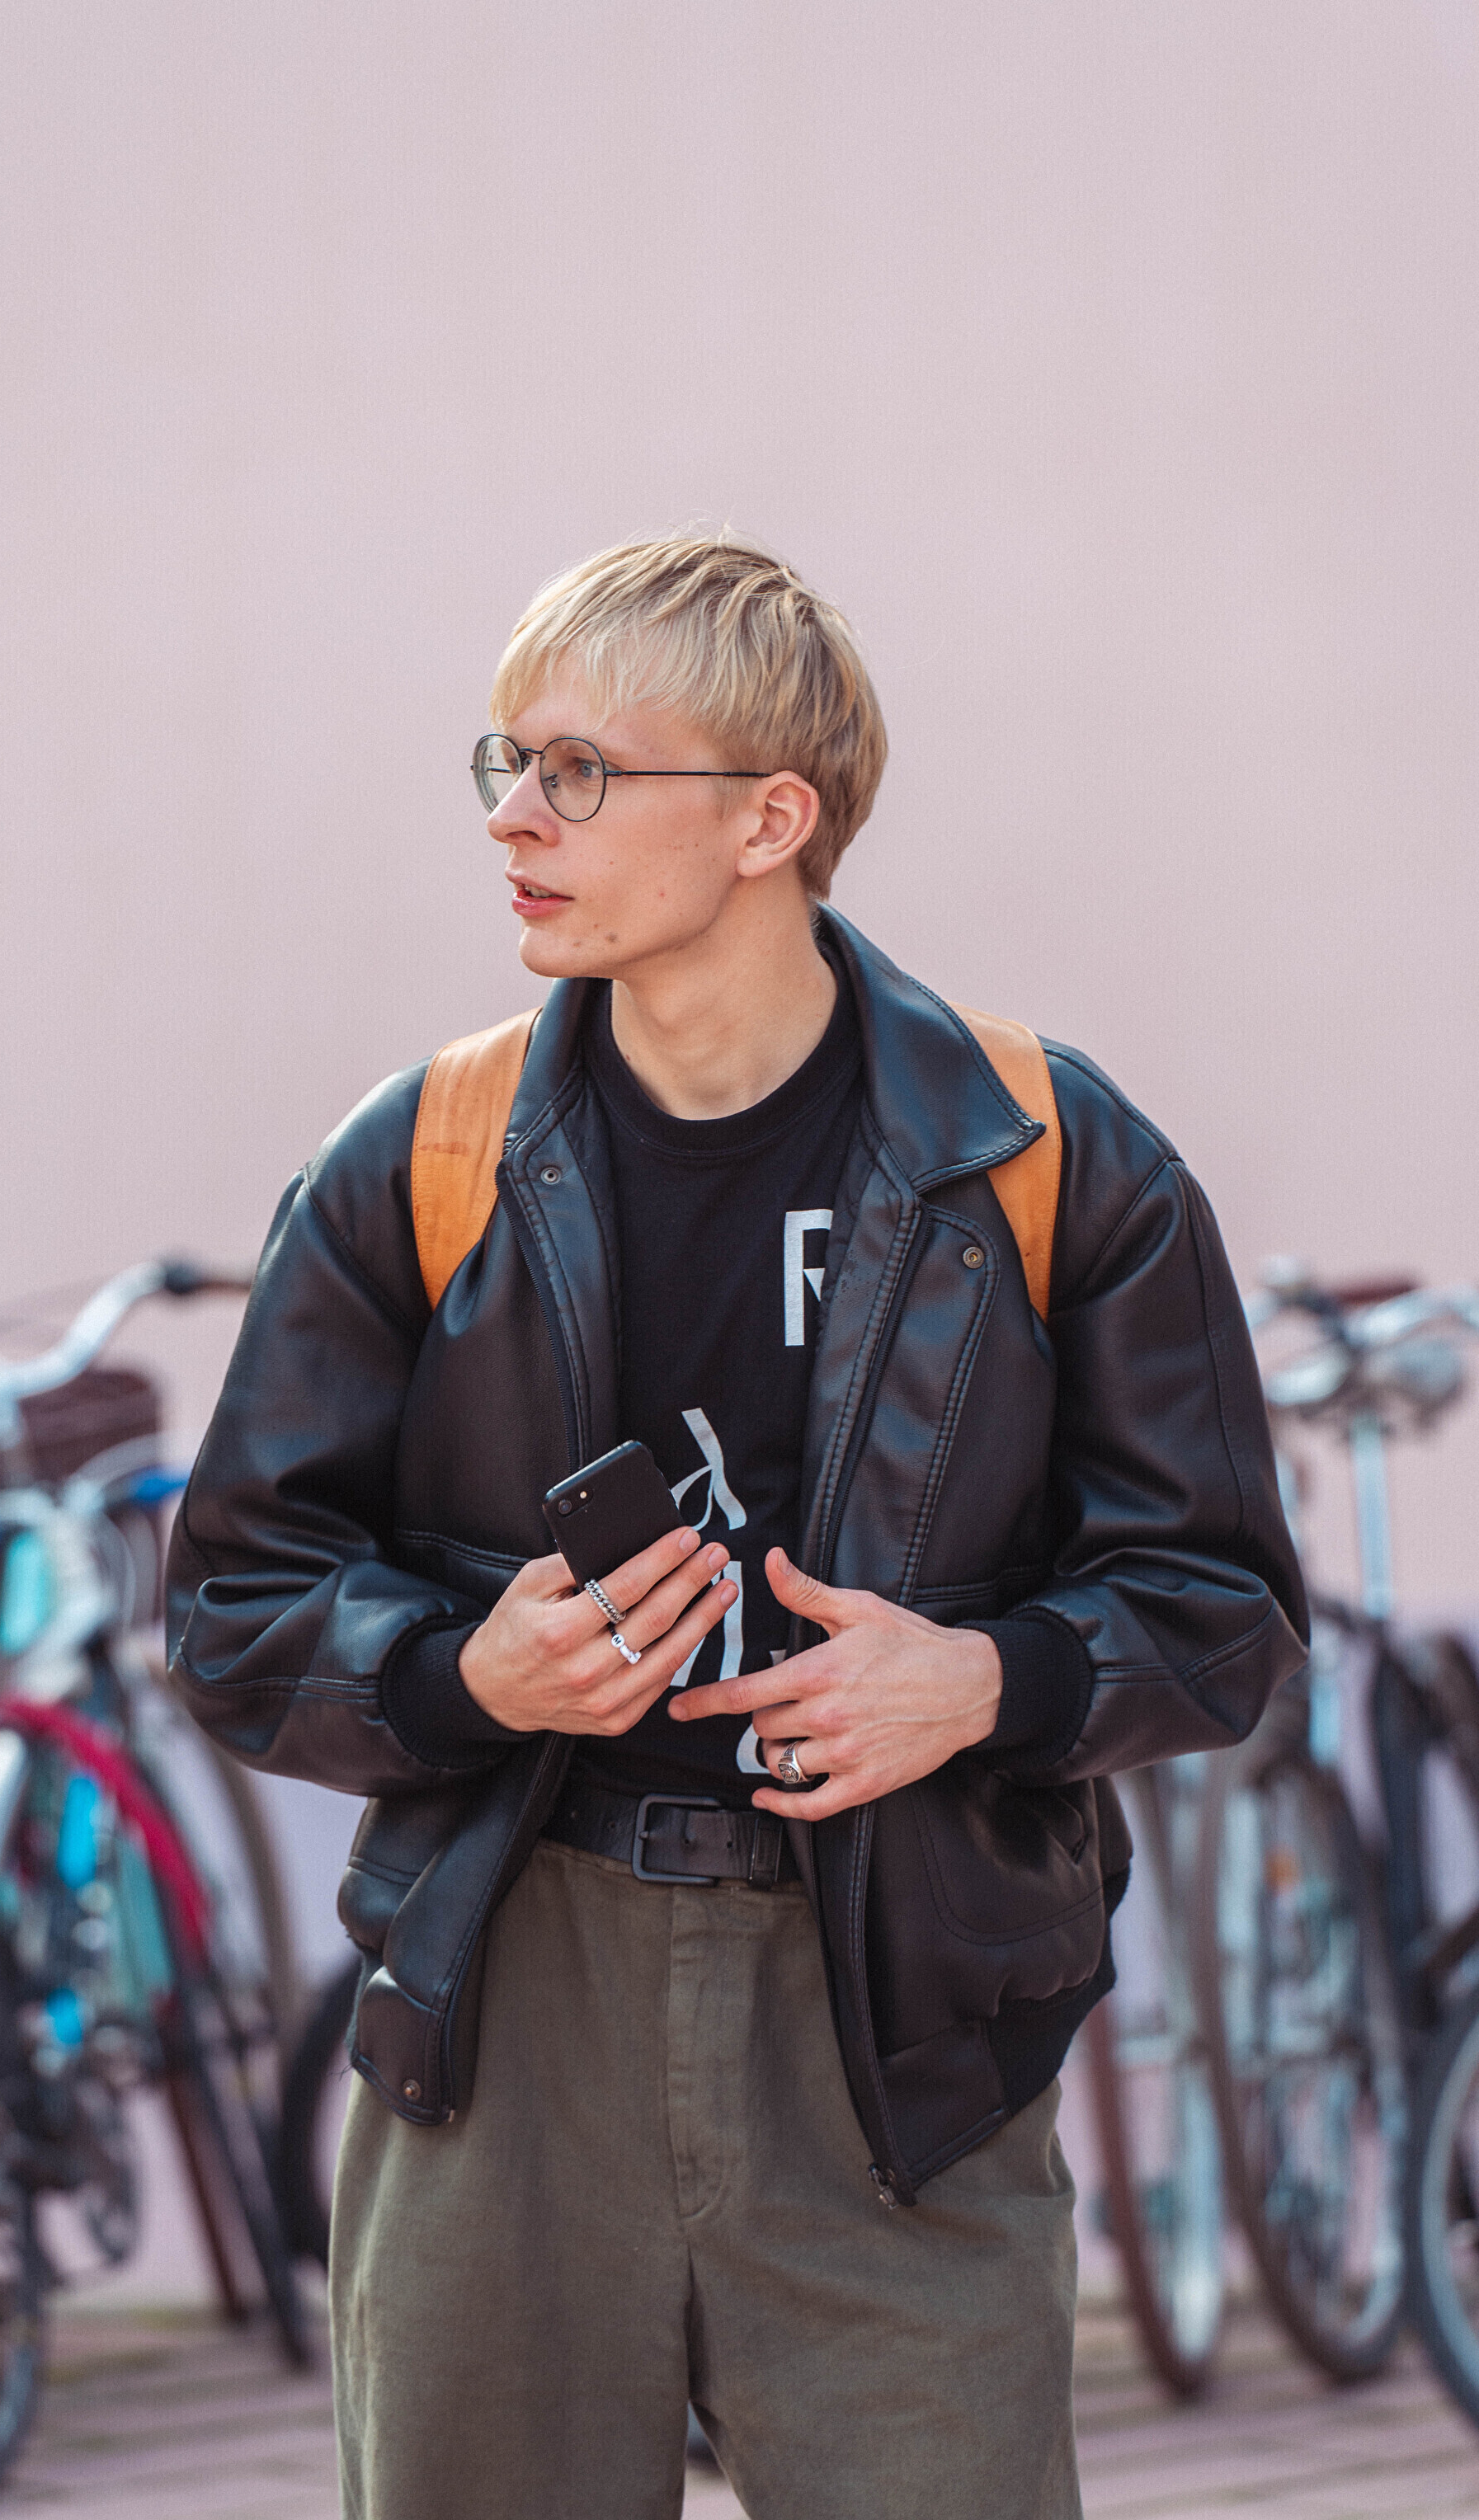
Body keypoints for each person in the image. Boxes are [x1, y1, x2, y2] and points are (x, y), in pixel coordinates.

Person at [167, 534, 1306, 2520]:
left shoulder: (1045, 1155)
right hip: (509, 2018)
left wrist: (987, 1681)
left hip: (901, 2044)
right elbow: (234, 1603)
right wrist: (458, 1675)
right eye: (505, 763)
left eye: (580, 771)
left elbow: (1220, 1607)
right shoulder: (422, 1157)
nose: (514, 817)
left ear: (772, 821)